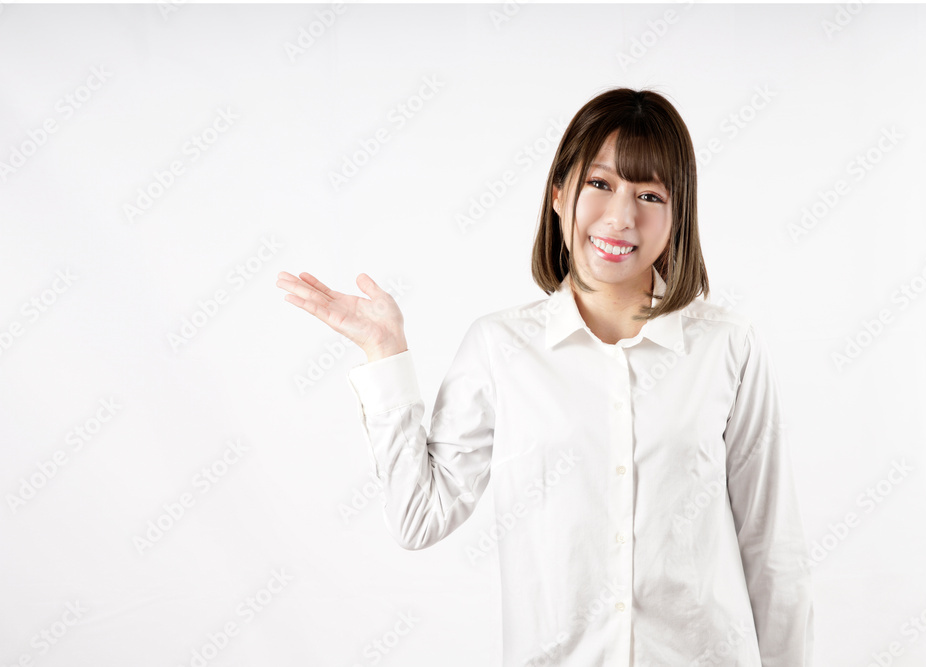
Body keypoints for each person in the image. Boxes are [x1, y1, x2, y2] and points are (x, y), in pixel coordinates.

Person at [277, 87, 814, 667]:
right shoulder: (500, 348)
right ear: (559, 194)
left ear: (677, 216)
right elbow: (419, 518)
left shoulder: (727, 345)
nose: (621, 217)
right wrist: (384, 351)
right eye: (600, 184)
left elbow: (772, 549)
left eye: (650, 194)